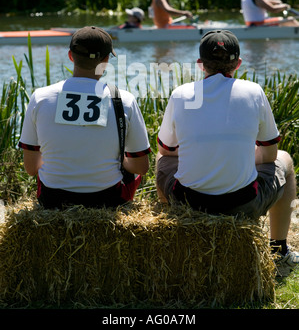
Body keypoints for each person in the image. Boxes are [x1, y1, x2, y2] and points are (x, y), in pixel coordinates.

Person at [156, 29, 299, 277]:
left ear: (201, 65)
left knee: (162, 159)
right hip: (243, 204)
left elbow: (165, 149)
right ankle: (279, 252)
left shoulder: (181, 94)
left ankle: (172, 228)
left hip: (189, 202)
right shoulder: (254, 91)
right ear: (238, 64)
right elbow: (270, 154)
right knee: (285, 158)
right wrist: (243, 155)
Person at [18, 26, 150, 209]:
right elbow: (141, 168)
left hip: (53, 199)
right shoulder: (124, 100)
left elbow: (31, 169)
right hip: (107, 200)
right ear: (105, 61)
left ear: (71, 56)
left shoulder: (40, 97)